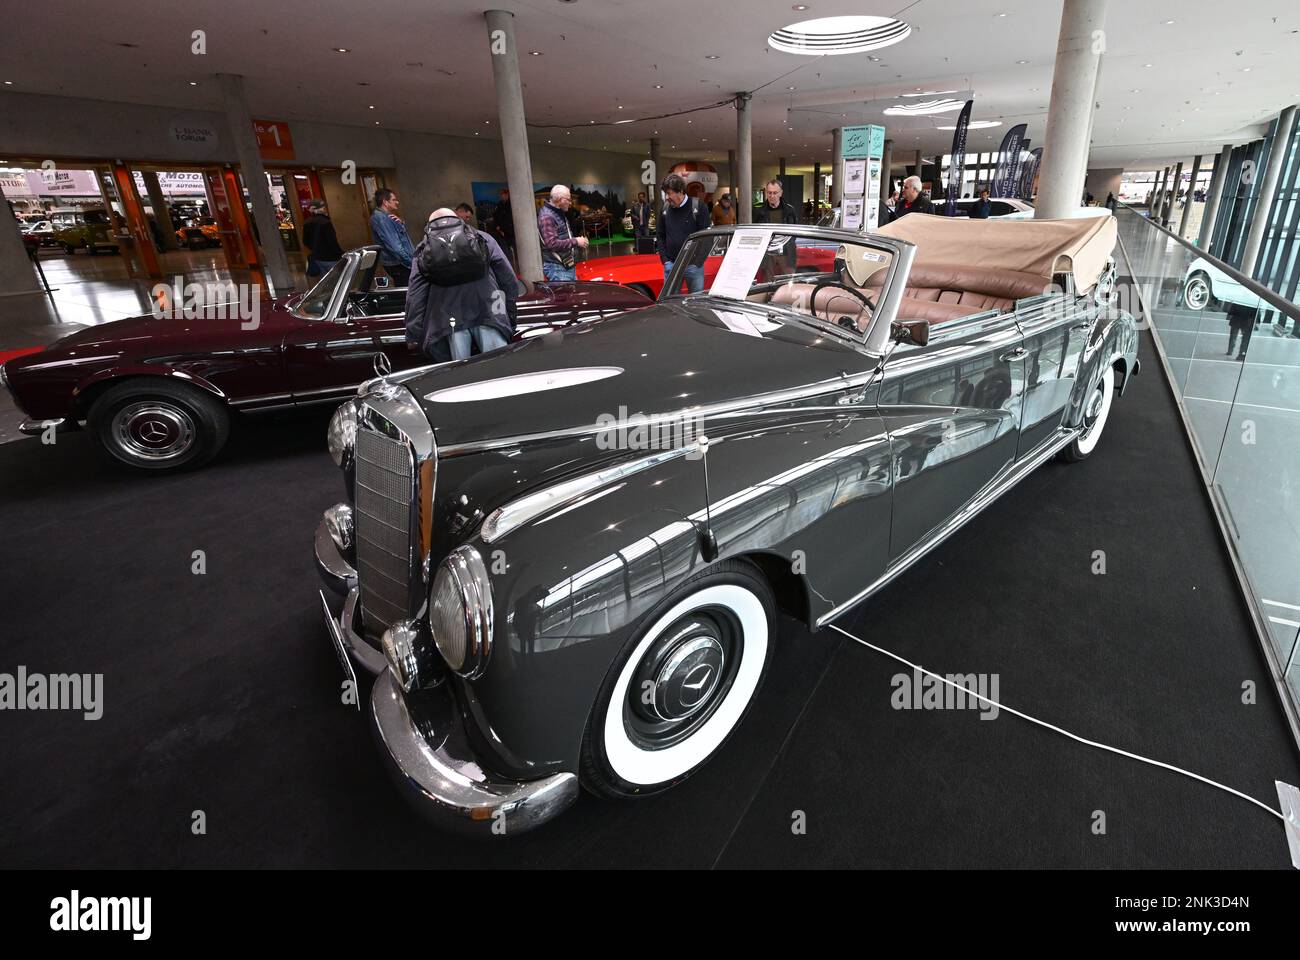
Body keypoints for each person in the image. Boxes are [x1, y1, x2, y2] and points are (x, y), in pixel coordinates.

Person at [405, 208, 518, 363]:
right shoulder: (482, 237)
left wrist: (414, 333)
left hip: (449, 321)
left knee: (461, 375)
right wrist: (510, 313)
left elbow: (415, 293)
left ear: (430, 225)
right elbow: (508, 277)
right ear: (458, 219)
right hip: (489, 311)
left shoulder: (424, 248)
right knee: (499, 368)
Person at [656, 173, 711, 294]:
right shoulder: (665, 209)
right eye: (665, 193)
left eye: (669, 193)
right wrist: (665, 260)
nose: (666, 197)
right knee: (670, 302)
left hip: (693, 266)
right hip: (671, 264)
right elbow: (660, 235)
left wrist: (697, 263)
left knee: (695, 302)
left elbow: (708, 237)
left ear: (680, 191)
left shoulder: (699, 207)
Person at [537, 184, 588, 281]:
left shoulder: (556, 212)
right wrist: (576, 241)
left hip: (564, 267)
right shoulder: (547, 216)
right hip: (558, 269)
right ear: (560, 200)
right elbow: (552, 244)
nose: (570, 203)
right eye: (568, 200)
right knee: (565, 296)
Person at [369, 188, 415, 286]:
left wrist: (400, 223)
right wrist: (411, 263)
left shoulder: (386, 217)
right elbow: (395, 248)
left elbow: (400, 237)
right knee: (407, 293)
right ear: (385, 202)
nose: (397, 202)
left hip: (399, 262)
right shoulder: (382, 219)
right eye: (394, 200)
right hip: (399, 263)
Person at [301, 200, 343, 277]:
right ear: (322, 209)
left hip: (317, 258)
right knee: (337, 281)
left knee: (325, 282)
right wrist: (340, 254)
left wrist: (315, 248)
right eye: (323, 207)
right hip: (330, 258)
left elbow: (305, 241)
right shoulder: (325, 222)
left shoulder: (307, 223)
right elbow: (332, 242)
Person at [492, 188, 515, 262]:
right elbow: (495, 216)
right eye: (501, 194)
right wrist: (497, 226)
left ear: (507, 194)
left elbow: (511, 217)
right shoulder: (499, 204)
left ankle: (515, 260)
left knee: (513, 247)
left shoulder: (512, 204)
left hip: (511, 230)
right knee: (504, 247)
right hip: (501, 230)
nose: (502, 196)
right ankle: (508, 260)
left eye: (503, 194)